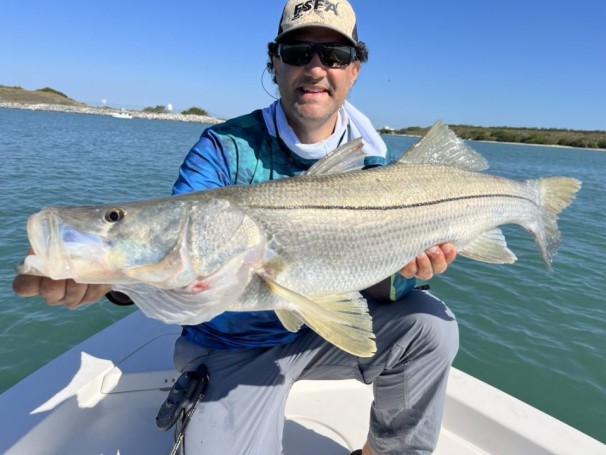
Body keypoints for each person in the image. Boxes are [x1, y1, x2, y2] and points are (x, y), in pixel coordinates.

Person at [13, 1, 459, 453]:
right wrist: (113, 281)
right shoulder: (224, 148)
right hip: (230, 346)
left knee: (431, 327)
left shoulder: (374, 167)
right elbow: (182, 252)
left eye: (334, 55)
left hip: (319, 332)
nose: (316, 68)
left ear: (355, 69)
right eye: (297, 52)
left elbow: (370, 293)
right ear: (274, 60)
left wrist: (404, 274)